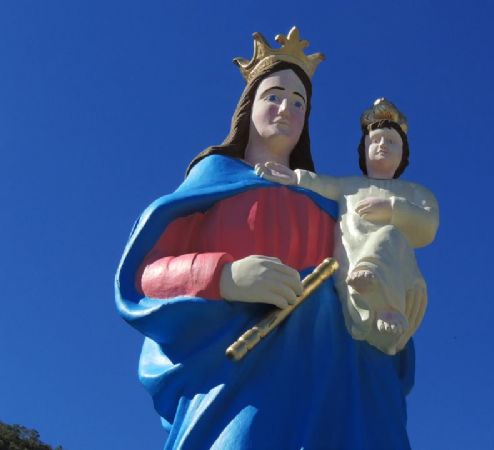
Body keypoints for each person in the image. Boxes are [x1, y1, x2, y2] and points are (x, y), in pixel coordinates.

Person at [116, 28, 415, 449]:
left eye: (299, 103)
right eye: (273, 96)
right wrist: (226, 276)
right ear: (249, 106)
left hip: (338, 376)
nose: (286, 109)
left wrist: (390, 304)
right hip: (243, 379)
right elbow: (148, 274)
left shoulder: (328, 203)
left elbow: (382, 260)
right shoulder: (213, 179)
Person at [256, 98, 439, 356]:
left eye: (391, 141)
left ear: (403, 153)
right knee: (360, 283)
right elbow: (320, 184)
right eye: (374, 141)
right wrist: (293, 177)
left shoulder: (415, 192)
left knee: (388, 234)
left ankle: (388, 306)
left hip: (398, 279)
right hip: (350, 270)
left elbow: (428, 225)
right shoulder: (350, 186)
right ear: (363, 150)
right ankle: (369, 297)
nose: (382, 145)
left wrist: (392, 208)